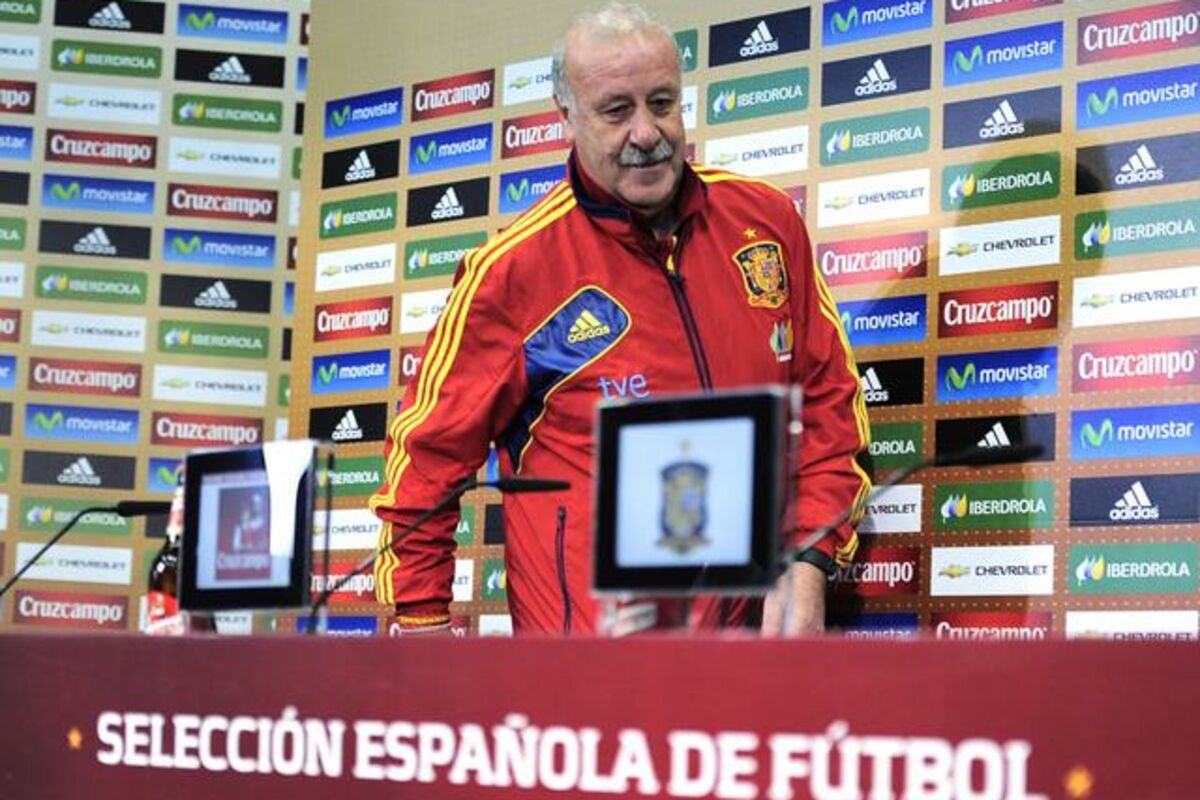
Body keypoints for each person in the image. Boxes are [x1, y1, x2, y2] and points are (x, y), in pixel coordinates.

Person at [370, 2, 870, 635]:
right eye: (616, 111)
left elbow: (827, 404)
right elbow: (426, 461)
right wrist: (421, 625)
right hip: (585, 667)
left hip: (751, 654)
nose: (646, 132)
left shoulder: (765, 221)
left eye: (662, 103)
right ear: (566, 116)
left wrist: (808, 560)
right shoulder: (513, 271)